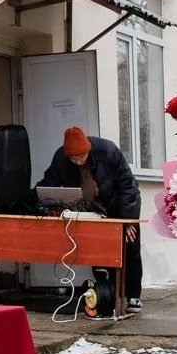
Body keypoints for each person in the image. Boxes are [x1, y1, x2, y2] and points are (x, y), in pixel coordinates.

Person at [37, 126, 143, 313]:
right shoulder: (61, 158)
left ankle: (133, 295)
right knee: (98, 255)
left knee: (129, 250)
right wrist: (38, 199)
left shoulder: (108, 151)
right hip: (91, 212)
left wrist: (129, 221)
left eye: (81, 157)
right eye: (73, 158)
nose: (78, 161)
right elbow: (49, 183)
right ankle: (106, 295)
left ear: (88, 148)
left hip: (118, 208)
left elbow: (128, 186)